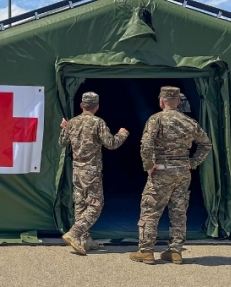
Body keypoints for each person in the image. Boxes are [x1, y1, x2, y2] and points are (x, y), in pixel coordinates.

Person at [130, 86, 212, 265]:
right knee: (179, 212)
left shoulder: (156, 119)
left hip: (162, 171)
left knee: (150, 210)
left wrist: (149, 166)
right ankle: (175, 252)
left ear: (161, 101)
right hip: (182, 172)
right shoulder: (189, 122)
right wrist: (193, 162)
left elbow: (146, 144)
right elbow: (206, 145)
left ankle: (146, 251)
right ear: (178, 102)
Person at [58, 91, 129, 255]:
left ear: (81, 105)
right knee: (96, 205)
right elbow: (111, 143)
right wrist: (122, 134)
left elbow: (62, 143)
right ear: (97, 107)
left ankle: (85, 240)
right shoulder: (98, 123)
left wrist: (64, 128)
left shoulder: (72, 123)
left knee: (81, 204)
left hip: (77, 170)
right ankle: (75, 233)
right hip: (91, 171)